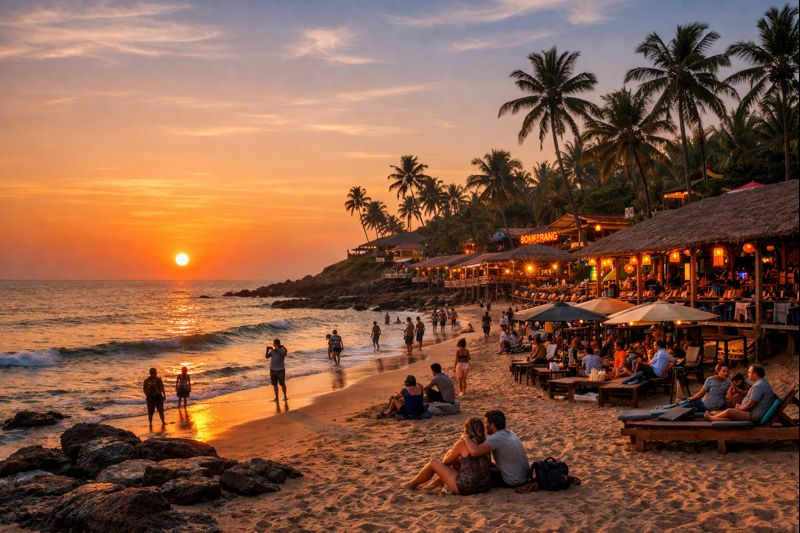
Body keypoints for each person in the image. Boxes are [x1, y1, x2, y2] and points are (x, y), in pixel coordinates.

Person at [401, 417, 492, 495]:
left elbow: (445, 462)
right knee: (460, 463)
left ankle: (411, 484)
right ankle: (435, 483)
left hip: (468, 487)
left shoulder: (462, 443)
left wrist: (449, 454)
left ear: (467, 430)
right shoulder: (486, 443)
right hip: (484, 486)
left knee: (434, 463)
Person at [461, 410, 530, 488]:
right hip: (525, 477)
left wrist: (465, 438)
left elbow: (474, 452)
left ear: (492, 425)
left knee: (480, 474)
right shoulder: (510, 433)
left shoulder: (496, 438)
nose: (485, 426)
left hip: (513, 481)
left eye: (486, 423)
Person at [705, 365, 776, 422]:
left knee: (730, 412)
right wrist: (740, 406)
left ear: (755, 374)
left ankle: (712, 418)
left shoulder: (759, 385)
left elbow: (751, 404)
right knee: (731, 411)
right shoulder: (760, 383)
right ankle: (715, 414)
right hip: (753, 412)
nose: (748, 374)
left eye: (749, 372)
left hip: (755, 415)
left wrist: (740, 409)